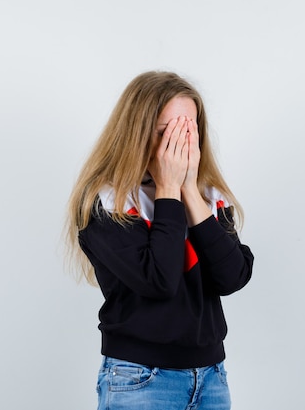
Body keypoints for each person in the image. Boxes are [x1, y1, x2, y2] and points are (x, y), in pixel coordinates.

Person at [66, 71, 254, 410]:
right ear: (137, 134)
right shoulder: (108, 202)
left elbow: (232, 277)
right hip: (140, 379)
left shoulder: (209, 197)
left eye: (188, 132)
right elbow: (158, 280)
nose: (179, 147)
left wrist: (190, 194)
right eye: (167, 134)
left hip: (210, 377)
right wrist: (168, 190)